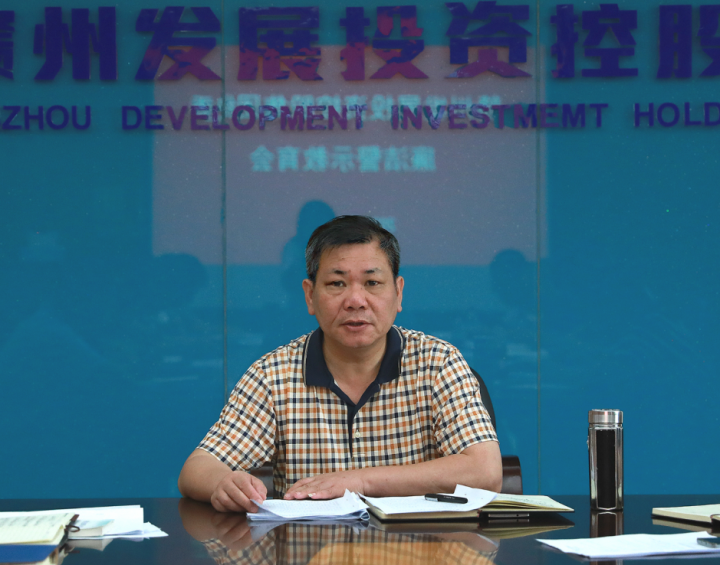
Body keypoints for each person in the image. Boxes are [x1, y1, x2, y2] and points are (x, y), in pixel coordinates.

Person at [178, 216, 502, 512]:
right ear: (309, 295)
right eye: (337, 284)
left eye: (372, 283)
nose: (355, 301)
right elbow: (197, 468)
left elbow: (485, 471)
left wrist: (359, 481)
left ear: (398, 292)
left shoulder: (438, 363)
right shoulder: (273, 375)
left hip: (422, 548)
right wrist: (223, 483)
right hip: (309, 548)